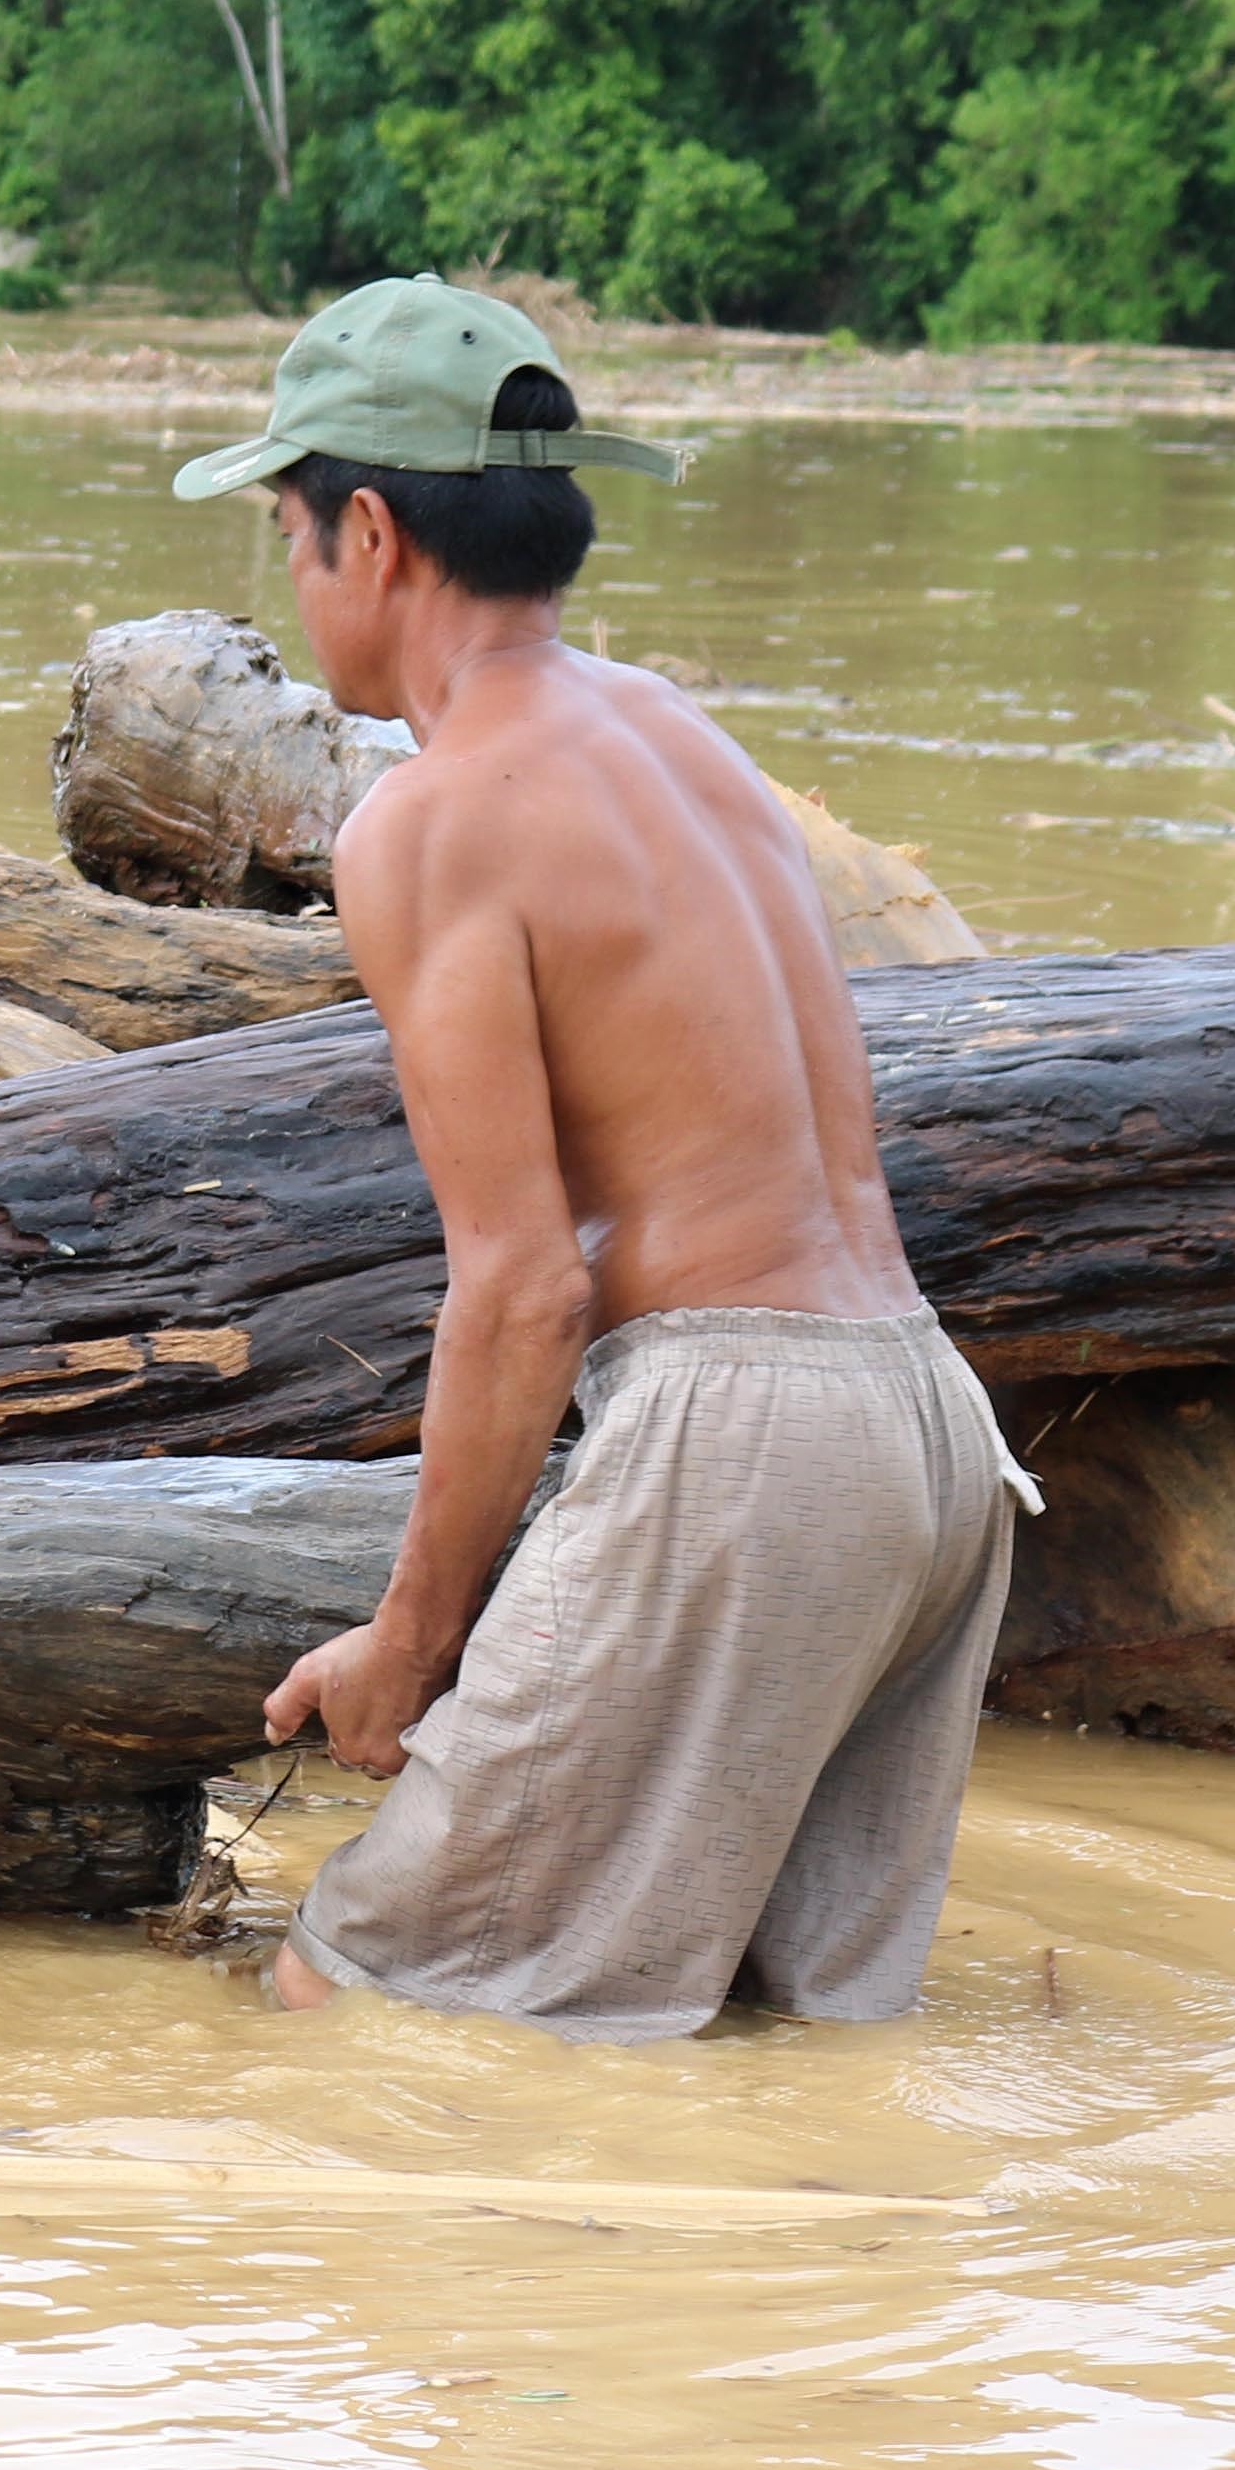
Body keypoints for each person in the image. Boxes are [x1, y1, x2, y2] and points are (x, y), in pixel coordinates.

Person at [186, 277, 1031, 2039]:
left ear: (371, 531)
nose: (290, 578)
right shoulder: (673, 734)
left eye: (286, 532)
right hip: (931, 1436)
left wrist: (409, 1649)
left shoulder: (426, 818)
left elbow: (521, 1289)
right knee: (779, 2049)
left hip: (744, 1446)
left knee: (357, 2006)